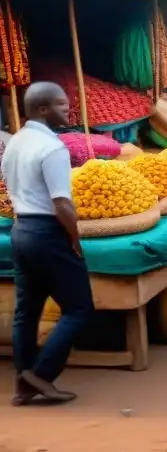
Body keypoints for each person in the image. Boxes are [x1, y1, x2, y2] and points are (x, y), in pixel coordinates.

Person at [3, 82, 94, 405]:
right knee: (79, 308)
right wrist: (76, 239)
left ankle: (22, 380)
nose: (67, 108)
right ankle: (41, 375)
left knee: (26, 312)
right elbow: (62, 204)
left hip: (21, 230)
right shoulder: (53, 148)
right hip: (47, 233)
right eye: (60, 104)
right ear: (42, 109)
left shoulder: (15, 142)